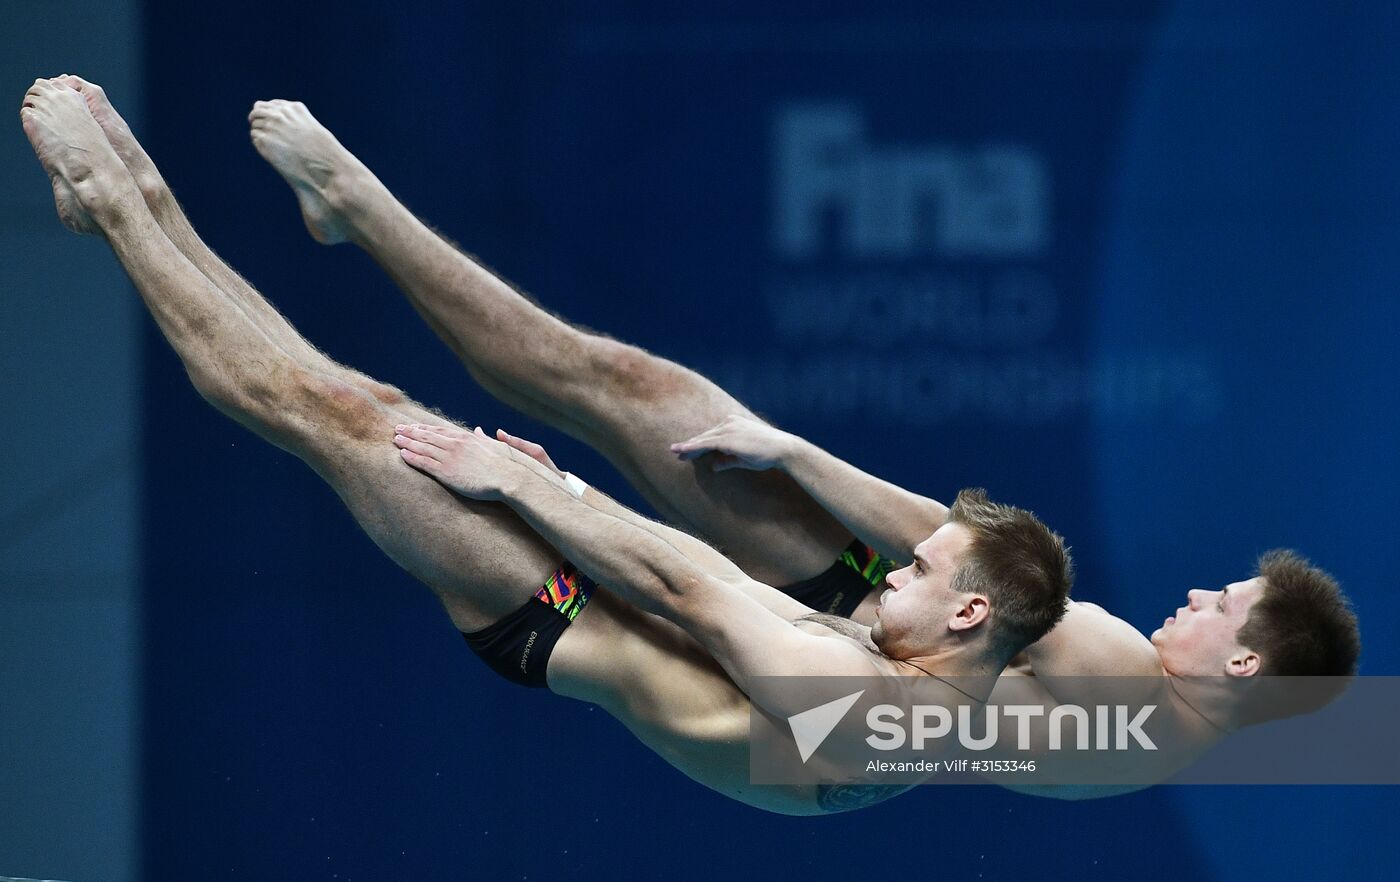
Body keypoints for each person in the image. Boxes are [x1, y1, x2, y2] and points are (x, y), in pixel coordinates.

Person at [244, 96, 1362, 795]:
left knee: (604, 402)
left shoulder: (1119, 674)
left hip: (842, 643)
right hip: (860, 654)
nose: (1199, 598)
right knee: (620, 395)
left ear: (1246, 664)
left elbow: (958, 559)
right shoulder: (1166, 741)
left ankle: (356, 201)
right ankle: (355, 215)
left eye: (1222, 604)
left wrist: (795, 454)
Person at [20, 75, 1073, 814]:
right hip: (612, 586)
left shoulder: (865, 717)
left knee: (335, 417)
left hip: (556, 624)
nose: (892, 564)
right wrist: (558, 484)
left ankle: (124, 205)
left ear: (970, 612)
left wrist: (524, 494)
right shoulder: (908, 672)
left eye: (922, 567)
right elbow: (712, 578)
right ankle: (151, 212)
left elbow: (686, 592)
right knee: (369, 401)